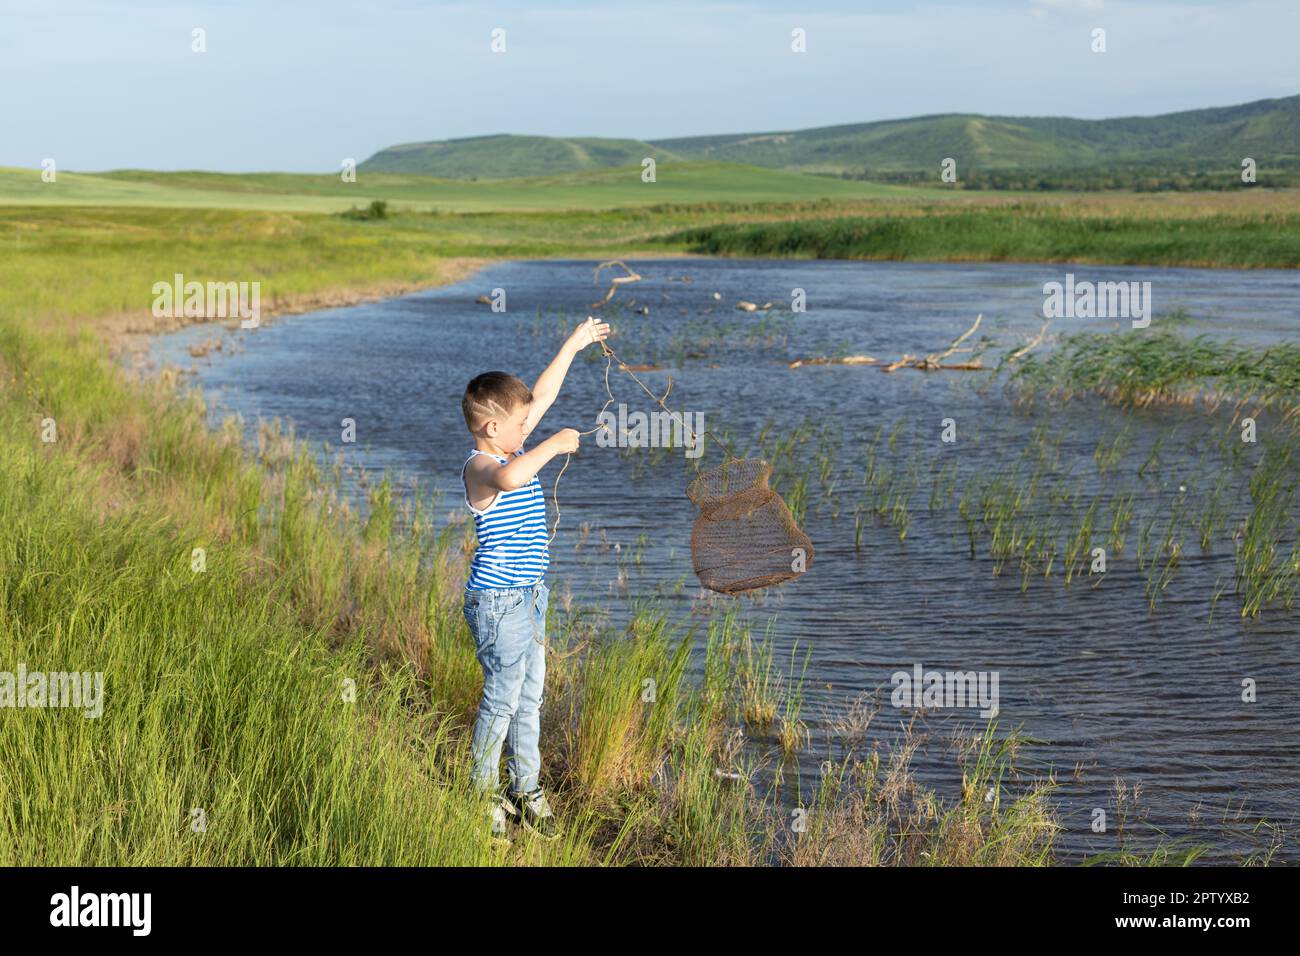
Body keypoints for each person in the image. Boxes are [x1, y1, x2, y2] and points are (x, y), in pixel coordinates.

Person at [459, 316, 610, 843]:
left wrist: (575, 341)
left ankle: (526, 789)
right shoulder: (483, 466)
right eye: (521, 426)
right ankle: (481, 795)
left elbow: (541, 392)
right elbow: (509, 478)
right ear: (490, 428)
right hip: (497, 603)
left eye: (530, 426)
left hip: (531, 597)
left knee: (529, 698)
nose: (530, 429)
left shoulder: (514, 443)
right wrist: (551, 445)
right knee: (501, 698)